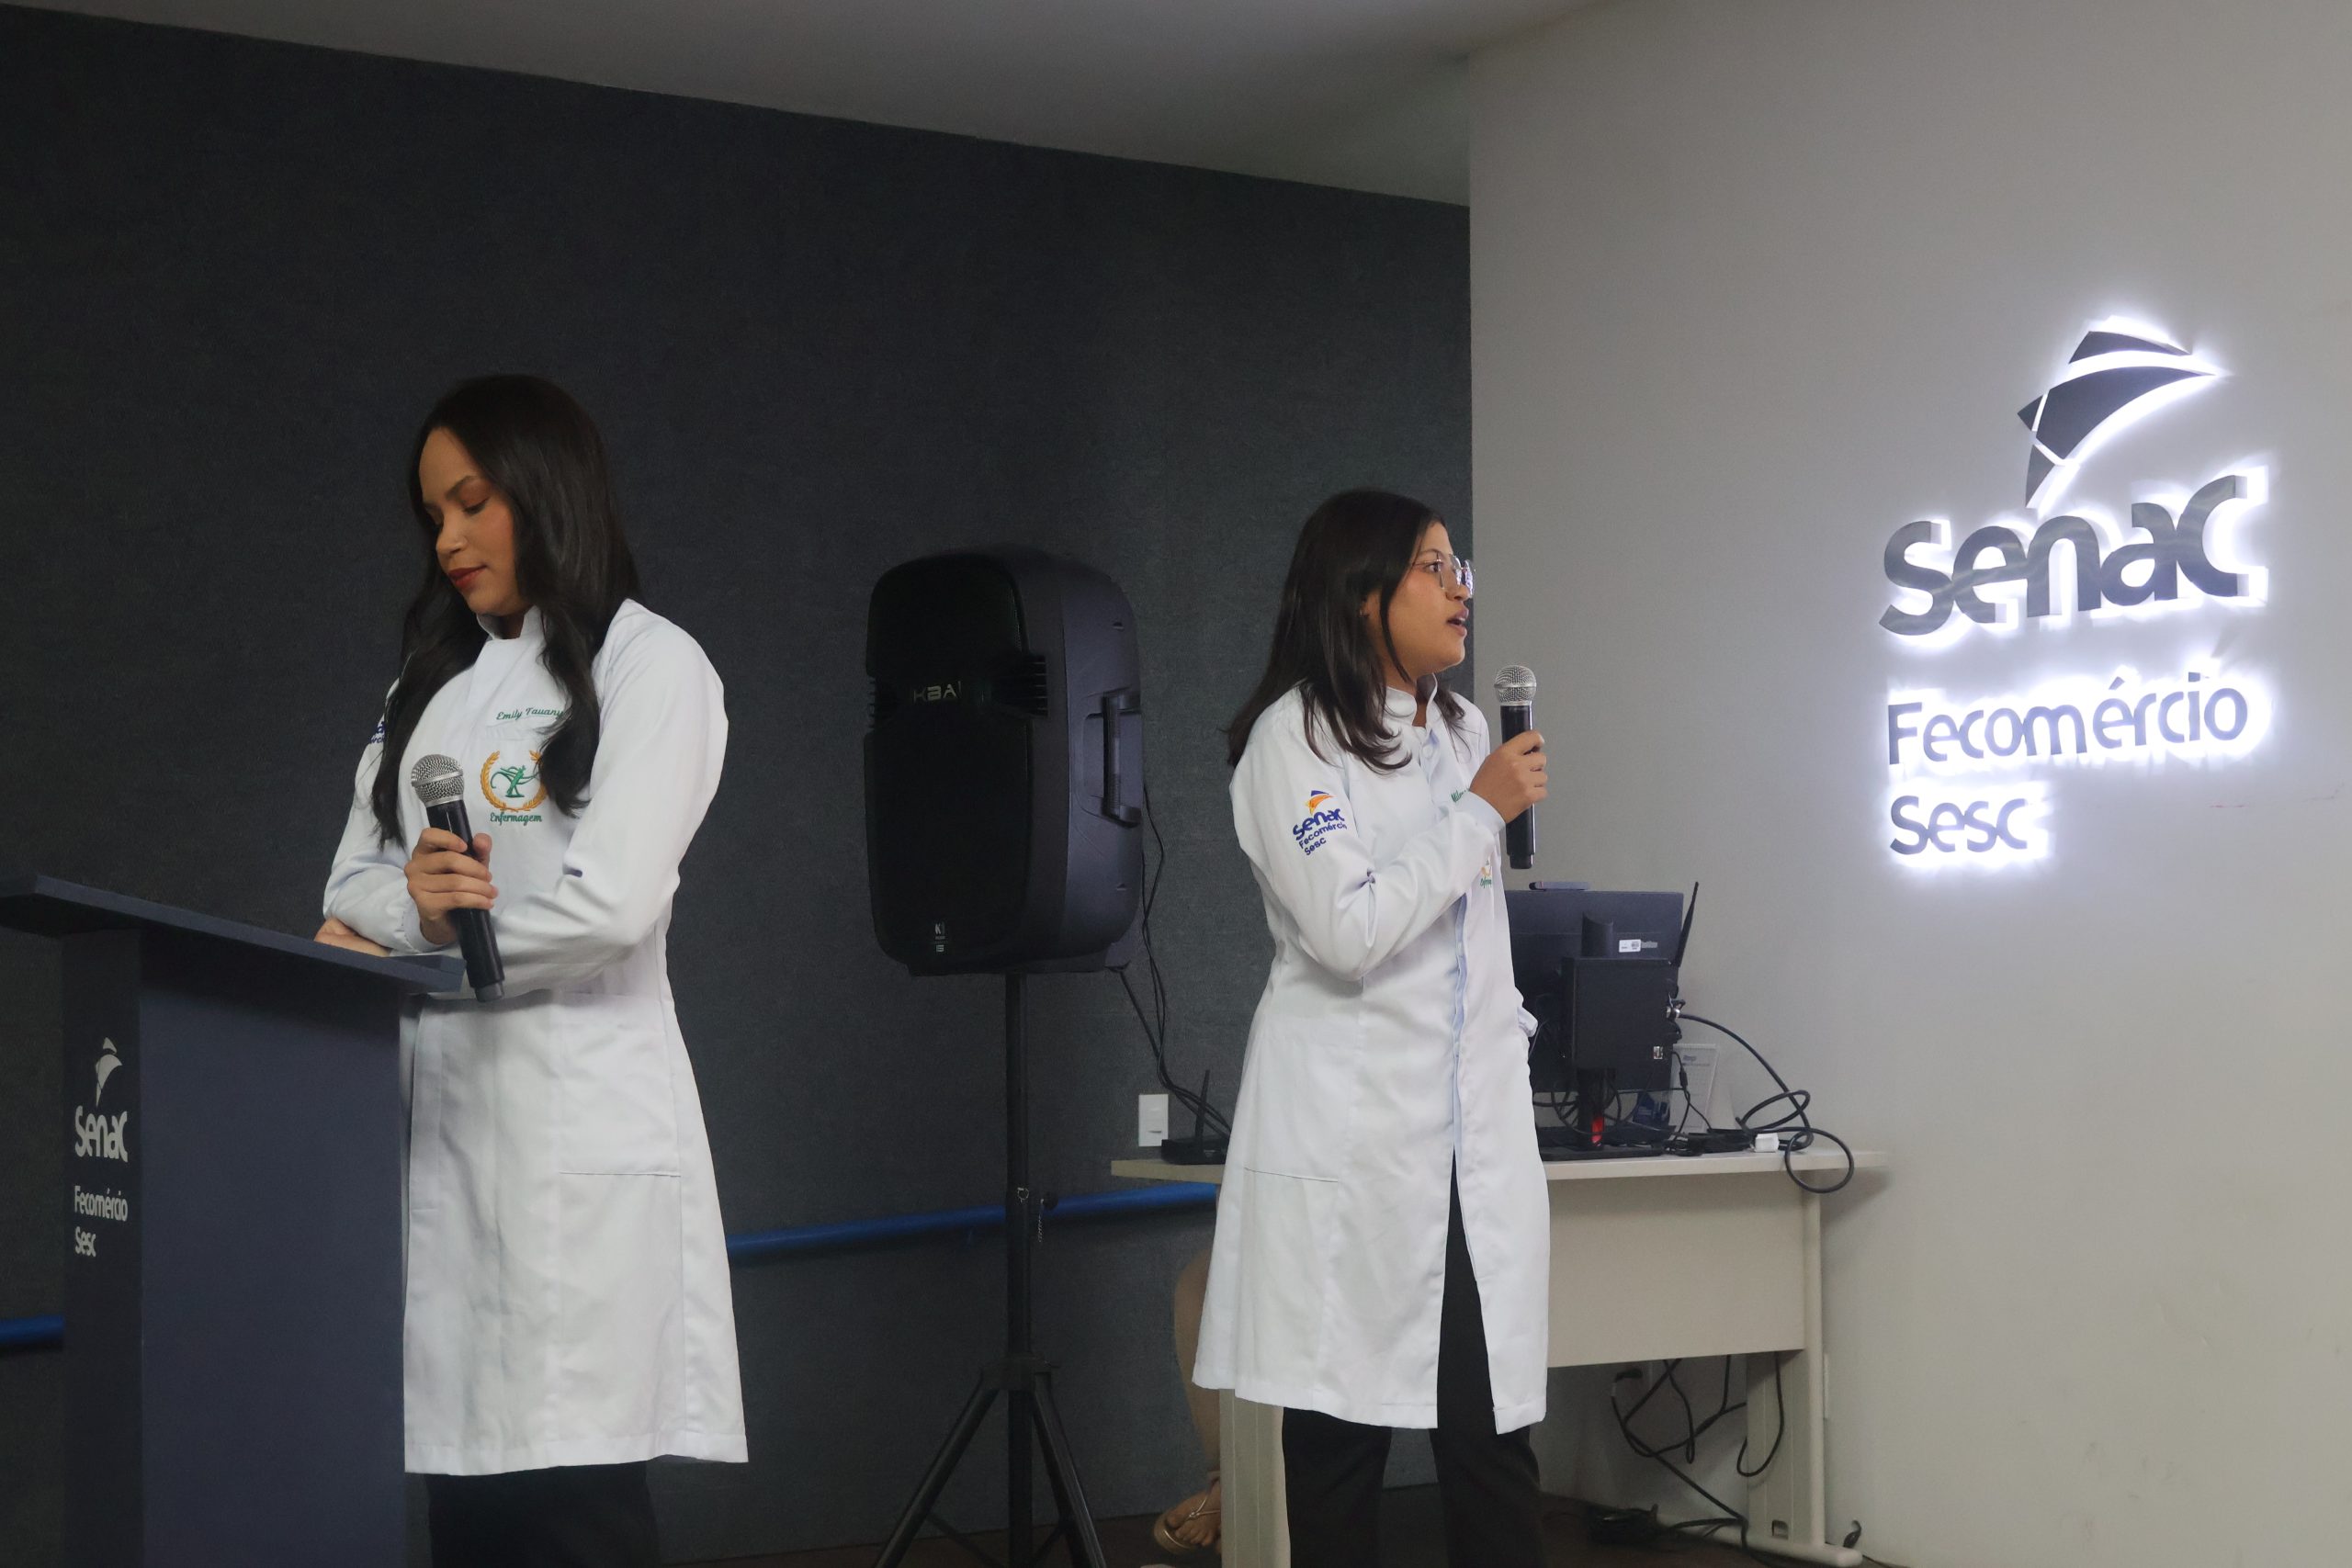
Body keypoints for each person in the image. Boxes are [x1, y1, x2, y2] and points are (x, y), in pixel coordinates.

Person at [314, 375, 745, 1567]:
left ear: (546, 490)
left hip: (572, 1132)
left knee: (572, 1503)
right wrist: (418, 912)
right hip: (443, 1131)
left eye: (472, 503)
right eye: (432, 517)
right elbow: (349, 884)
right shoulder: (426, 685)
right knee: (465, 1498)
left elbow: (610, 908)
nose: (448, 541)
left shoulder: (654, 665)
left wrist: (425, 947)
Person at [1193, 489, 1551, 1567]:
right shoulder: (1293, 739)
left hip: (1470, 1153)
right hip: (1354, 1150)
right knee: (1338, 1445)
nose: (1459, 589)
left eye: (1459, 568)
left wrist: (1512, 1033)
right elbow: (1347, 931)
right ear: (1361, 595)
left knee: (1491, 1442)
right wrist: (1479, 812)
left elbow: (1469, 941)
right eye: (1432, 569)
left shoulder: (1465, 729)